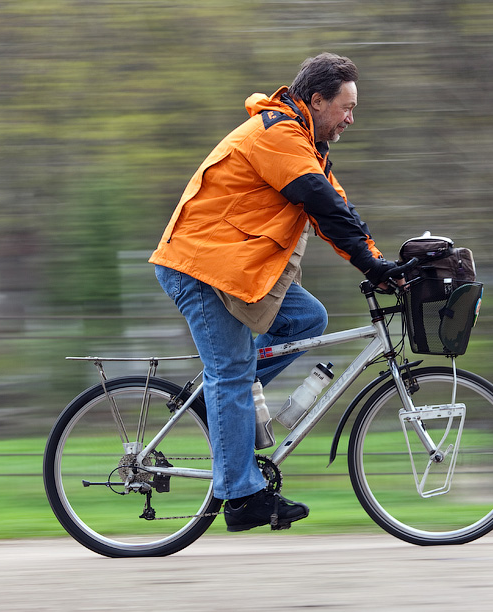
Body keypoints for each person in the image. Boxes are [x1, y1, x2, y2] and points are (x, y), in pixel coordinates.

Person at [149, 53, 397, 532]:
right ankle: (242, 499)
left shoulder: (304, 146)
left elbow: (340, 212)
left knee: (307, 320)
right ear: (317, 100)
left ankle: (213, 401)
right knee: (233, 373)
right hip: (201, 268)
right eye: (345, 107)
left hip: (237, 271)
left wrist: (379, 261)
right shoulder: (277, 135)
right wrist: (372, 265)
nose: (351, 118)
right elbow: (321, 204)